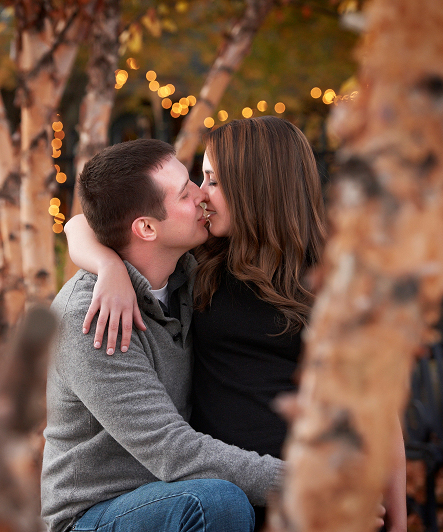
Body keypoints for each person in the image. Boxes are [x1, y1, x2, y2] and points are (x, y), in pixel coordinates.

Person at [63, 116, 406, 532]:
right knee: (219, 502)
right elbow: (95, 220)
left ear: (253, 188)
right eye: (195, 184)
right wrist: (107, 265)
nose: (201, 196)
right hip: (177, 501)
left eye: (209, 180)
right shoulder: (181, 275)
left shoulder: (330, 281)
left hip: (255, 491)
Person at [41, 138, 285, 532]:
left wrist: (109, 264)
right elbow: (173, 452)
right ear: (147, 228)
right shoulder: (89, 318)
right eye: (187, 194)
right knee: (218, 503)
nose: (203, 197)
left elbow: (82, 221)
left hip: (171, 495)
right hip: (94, 515)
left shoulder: (186, 272)